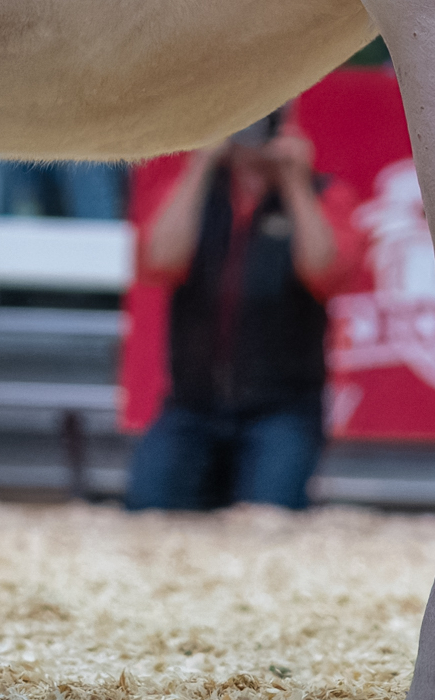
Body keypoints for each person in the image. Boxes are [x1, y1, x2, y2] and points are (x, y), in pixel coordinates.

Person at [122, 116, 362, 513]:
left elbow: (326, 271)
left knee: (268, 526)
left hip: (281, 411)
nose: (252, 133)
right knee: (147, 513)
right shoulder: (198, 191)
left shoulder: (323, 193)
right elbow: (159, 260)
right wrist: (199, 164)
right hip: (190, 405)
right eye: (245, 120)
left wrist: (295, 183)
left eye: (264, 120)